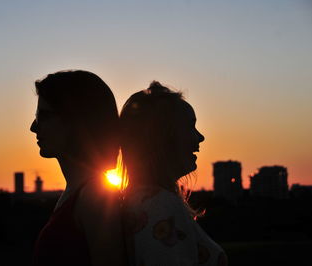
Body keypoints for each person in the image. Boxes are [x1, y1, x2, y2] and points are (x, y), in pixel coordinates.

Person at [120, 81, 228, 266]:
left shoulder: (139, 200)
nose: (200, 137)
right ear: (162, 138)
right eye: (190, 127)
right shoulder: (161, 206)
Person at [30, 70, 126, 266]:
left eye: (45, 116)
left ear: (78, 121)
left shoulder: (95, 197)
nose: (33, 126)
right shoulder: (79, 193)